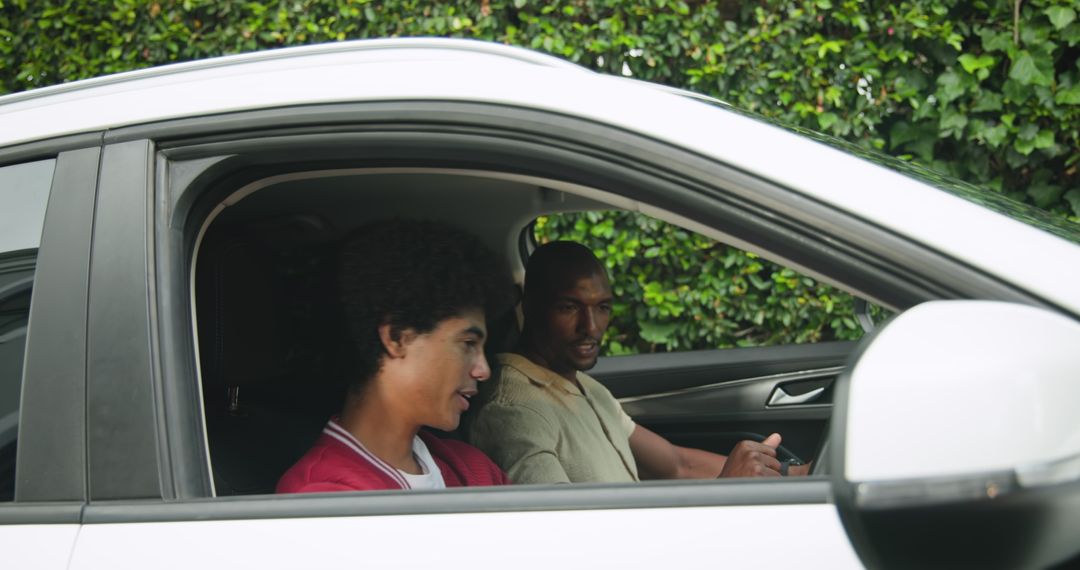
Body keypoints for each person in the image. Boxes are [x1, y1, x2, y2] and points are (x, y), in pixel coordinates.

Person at [468, 240, 810, 484]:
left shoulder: (586, 387)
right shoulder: (513, 410)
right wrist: (727, 488)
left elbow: (678, 465)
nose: (591, 327)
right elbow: (565, 535)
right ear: (528, 306)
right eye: (569, 307)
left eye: (602, 307)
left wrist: (794, 475)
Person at [277, 220, 512, 493]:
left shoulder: (472, 467)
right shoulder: (322, 493)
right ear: (397, 337)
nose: (483, 370)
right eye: (468, 343)